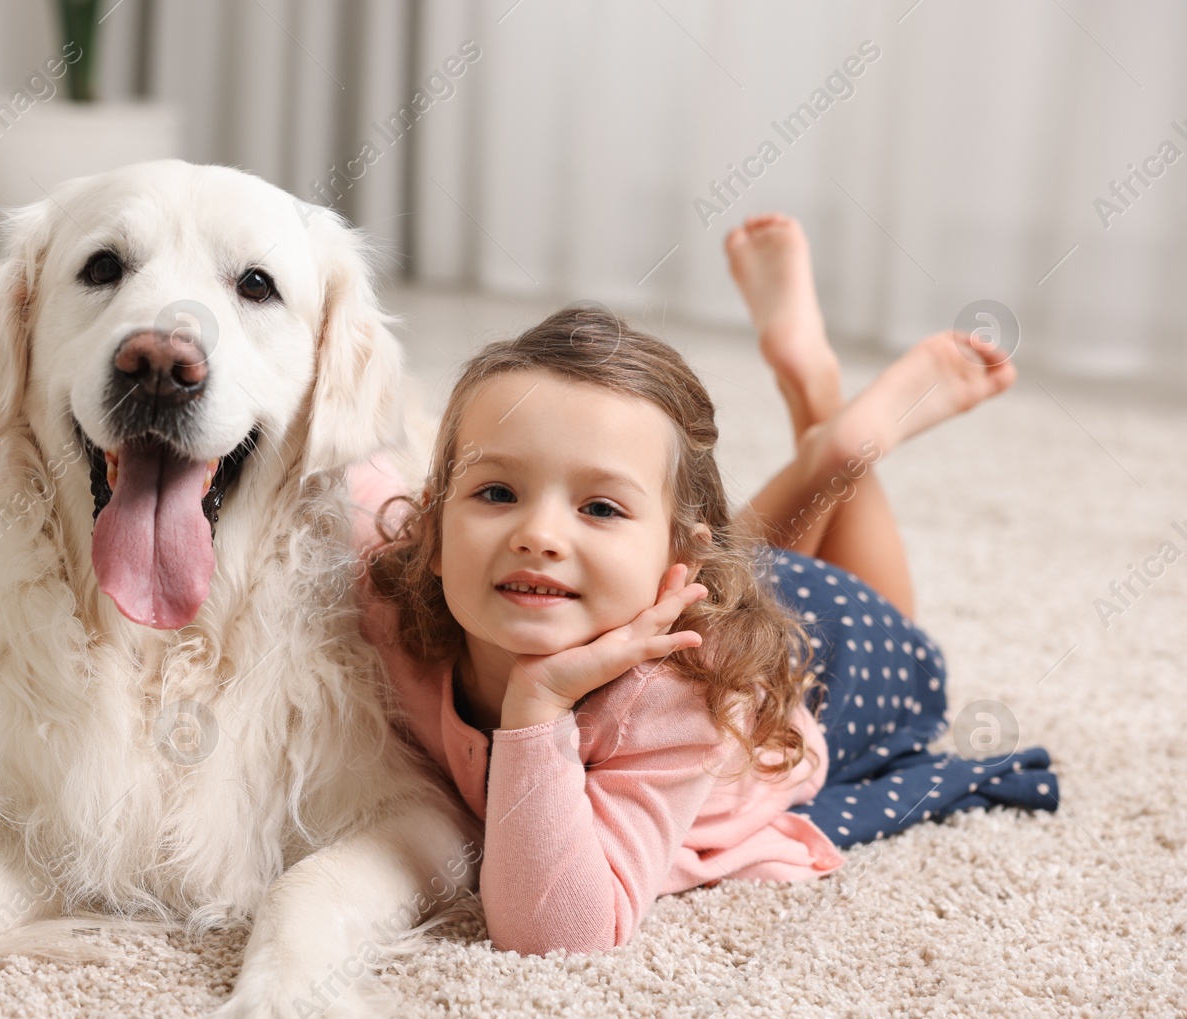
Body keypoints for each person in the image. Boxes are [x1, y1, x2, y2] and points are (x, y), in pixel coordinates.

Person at [345, 213, 1058, 957]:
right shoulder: (391, 594)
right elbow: (338, 478)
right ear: (430, 530)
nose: (540, 534)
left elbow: (554, 933)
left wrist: (537, 704)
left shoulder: (680, 704)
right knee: (730, 568)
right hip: (704, 589)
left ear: (675, 560)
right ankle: (818, 415)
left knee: (866, 618)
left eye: (598, 506)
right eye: (497, 493)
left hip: (834, 662)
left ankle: (838, 431)